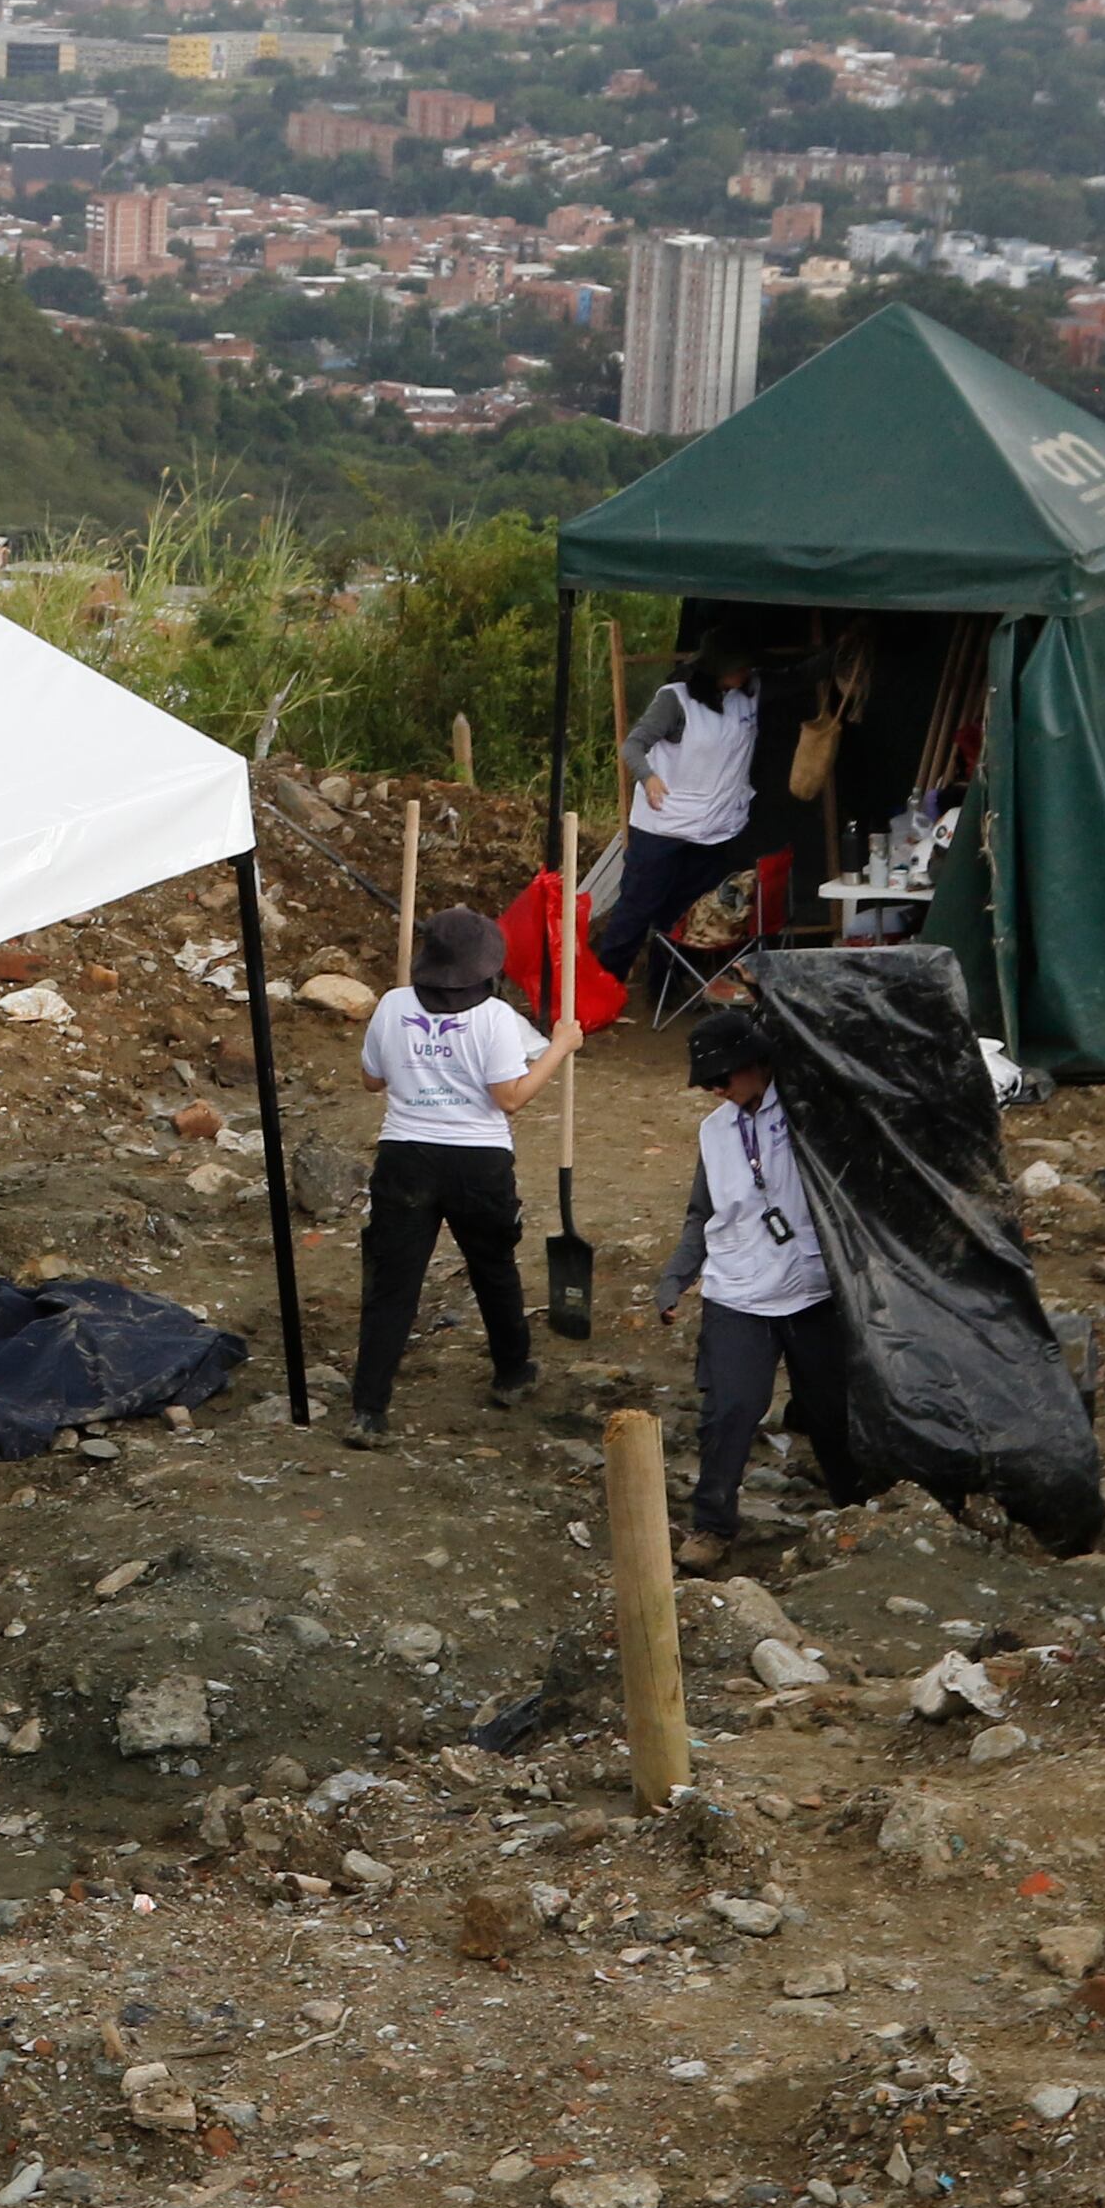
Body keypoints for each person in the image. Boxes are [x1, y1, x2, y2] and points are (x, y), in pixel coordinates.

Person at [346, 905, 581, 1445]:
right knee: (492, 1267)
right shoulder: (495, 1018)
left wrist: (418, 1060)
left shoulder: (393, 1005)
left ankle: (368, 1410)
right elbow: (510, 1098)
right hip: (477, 1161)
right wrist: (561, 1047)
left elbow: (371, 1080)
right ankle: (512, 1373)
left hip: (405, 1154)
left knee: (393, 1283)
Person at [651, 1006, 848, 1571]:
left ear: (756, 1062)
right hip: (738, 1287)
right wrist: (676, 1276)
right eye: (707, 1084)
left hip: (811, 1286)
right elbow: (702, 1213)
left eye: (722, 1078)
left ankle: (854, 1508)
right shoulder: (715, 1132)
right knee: (729, 1411)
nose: (716, 1091)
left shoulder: (807, 1109)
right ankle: (712, 1526)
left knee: (832, 1410)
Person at [589, 642, 772, 1012]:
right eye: (739, 668)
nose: (746, 674)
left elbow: (796, 678)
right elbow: (633, 745)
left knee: (686, 915)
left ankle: (665, 987)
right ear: (716, 669)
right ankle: (601, 993)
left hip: (713, 828)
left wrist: (838, 655)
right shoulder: (675, 700)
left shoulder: (745, 696)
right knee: (637, 910)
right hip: (662, 826)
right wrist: (648, 777)